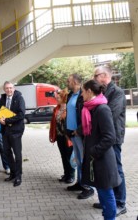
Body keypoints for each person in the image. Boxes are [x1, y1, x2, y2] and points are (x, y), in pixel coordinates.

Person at [81, 79, 121, 220]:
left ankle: (110, 218)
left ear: (89, 91)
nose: (81, 94)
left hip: (102, 159)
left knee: (106, 192)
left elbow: (110, 137)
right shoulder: (91, 108)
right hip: (97, 158)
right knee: (102, 191)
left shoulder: (102, 109)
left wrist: (94, 151)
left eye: (83, 91)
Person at [93, 66, 127, 216]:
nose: (94, 79)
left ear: (105, 75)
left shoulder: (117, 92)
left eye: (96, 76)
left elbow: (110, 114)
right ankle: (109, 200)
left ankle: (120, 203)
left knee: (116, 170)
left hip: (113, 138)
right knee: (106, 170)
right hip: (104, 137)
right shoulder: (103, 91)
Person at [65, 74, 94, 199]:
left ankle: (89, 188)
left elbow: (88, 116)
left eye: (69, 80)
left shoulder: (83, 95)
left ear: (76, 82)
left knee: (84, 161)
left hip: (80, 134)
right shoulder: (70, 95)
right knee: (77, 160)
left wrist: (79, 130)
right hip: (72, 133)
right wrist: (68, 132)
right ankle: (80, 183)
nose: (67, 82)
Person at [0, 81, 26, 187]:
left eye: (10, 88)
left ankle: (18, 176)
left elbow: (21, 114)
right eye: (7, 88)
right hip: (5, 131)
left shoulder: (19, 98)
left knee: (17, 155)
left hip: (16, 131)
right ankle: (13, 173)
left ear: (14, 88)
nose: (9, 90)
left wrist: (7, 120)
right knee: (7, 153)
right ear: (4, 89)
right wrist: (0, 119)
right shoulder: (2, 99)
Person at [49, 89, 75, 183]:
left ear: (64, 98)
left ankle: (71, 176)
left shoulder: (69, 109)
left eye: (59, 97)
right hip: (60, 136)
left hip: (67, 137)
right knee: (63, 156)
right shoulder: (57, 108)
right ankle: (66, 174)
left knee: (69, 156)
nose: (57, 98)